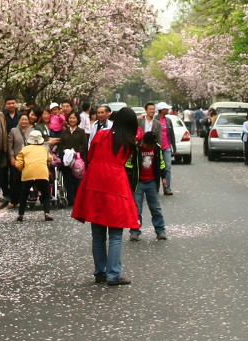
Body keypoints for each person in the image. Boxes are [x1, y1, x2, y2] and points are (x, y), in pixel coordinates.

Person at [72, 106, 140, 286]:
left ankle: (100, 272)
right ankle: (114, 274)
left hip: (96, 182)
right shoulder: (129, 143)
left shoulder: (101, 135)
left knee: (98, 233)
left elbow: (91, 155)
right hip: (116, 184)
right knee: (116, 233)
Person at [127, 129, 167, 241]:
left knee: (156, 208)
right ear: (143, 141)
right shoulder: (136, 148)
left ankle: (160, 230)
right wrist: (130, 179)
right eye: (147, 145)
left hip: (152, 182)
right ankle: (134, 231)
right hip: (138, 183)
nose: (149, 147)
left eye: (151, 146)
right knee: (136, 208)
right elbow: (129, 164)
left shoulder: (157, 148)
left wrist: (163, 177)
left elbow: (161, 163)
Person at [14, 130, 54, 222]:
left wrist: (23, 170)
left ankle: (21, 214)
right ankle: (47, 212)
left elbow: (18, 163)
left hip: (28, 173)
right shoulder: (44, 149)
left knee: (24, 194)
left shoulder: (25, 149)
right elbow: (50, 158)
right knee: (46, 194)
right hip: (42, 173)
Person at [59, 111, 90, 207]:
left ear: (77, 119)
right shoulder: (65, 131)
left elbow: (84, 145)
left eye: (74, 118)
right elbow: (61, 144)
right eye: (70, 118)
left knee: (78, 180)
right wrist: (66, 152)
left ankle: (79, 199)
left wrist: (75, 153)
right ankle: (71, 199)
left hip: (78, 159)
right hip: (67, 160)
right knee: (68, 180)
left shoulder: (81, 131)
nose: (72, 120)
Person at [6, 111, 29, 208]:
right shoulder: (13, 131)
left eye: (26, 120)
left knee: (25, 181)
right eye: (22, 120)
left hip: (28, 159)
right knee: (15, 180)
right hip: (16, 158)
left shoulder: (31, 131)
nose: (24, 121)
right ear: (19, 121)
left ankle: (22, 200)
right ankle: (13, 200)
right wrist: (11, 157)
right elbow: (9, 145)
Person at [154, 102, 176, 195]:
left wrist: (174, 147)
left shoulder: (168, 120)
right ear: (162, 110)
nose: (168, 110)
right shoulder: (154, 120)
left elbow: (171, 134)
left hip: (166, 147)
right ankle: (155, 188)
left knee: (167, 168)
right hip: (156, 148)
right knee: (155, 168)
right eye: (166, 109)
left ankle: (167, 188)